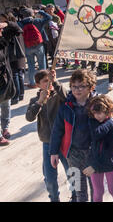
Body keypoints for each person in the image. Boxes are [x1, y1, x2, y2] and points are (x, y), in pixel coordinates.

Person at [25, 69, 76, 201]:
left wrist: (56, 82)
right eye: (45, 81)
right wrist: (39, 102)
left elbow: (68, 97)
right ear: (38, 85)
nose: (49, 83)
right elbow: (29, 117)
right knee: (49, 177)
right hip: (47, 142)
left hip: (64, 141)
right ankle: (54, 198)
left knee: (71, 172)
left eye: (50, 80)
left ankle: (75, 196)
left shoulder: (58, 95)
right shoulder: (34, 100)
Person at [50, 69, 98, 202]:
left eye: (82, 86)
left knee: (96, 189)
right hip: (73, 154)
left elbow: (109, 120)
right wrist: (53, 152)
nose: (77, 90)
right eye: (74, 86)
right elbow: (57, 130)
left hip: (93, 154)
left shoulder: (98, 104)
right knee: (78, 190)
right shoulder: (66, 106)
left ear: (91, 87)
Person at [83, 95, 113, 202]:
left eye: (99, 112)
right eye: (94, 113)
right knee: (98, 191)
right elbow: (97, 134)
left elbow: (111, 149)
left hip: (110, 163)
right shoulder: (93, 121)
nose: (97, 116)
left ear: (108, 110)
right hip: (94, 162)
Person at [0, 19, 22, 146]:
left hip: (4, 80)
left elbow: (18, 29)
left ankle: (5, 128)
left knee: (6, 105)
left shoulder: (3, 41)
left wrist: (6, 23)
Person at [17, 7, 52, 88]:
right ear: (32, 14)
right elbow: (49, 17)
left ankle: (32, 83)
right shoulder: (37, 21)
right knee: (42, 64)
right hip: (39, 45)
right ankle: (45, 82)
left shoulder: (20, 23)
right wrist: (40, 11)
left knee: (31, 65)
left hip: (27, 46)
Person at [0, 13, 25, 105]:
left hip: (13, 60)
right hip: (15, 58)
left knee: (17, 75)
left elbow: (18, 29)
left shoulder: (6, 36)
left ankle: (17, 96)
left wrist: (7, 23)